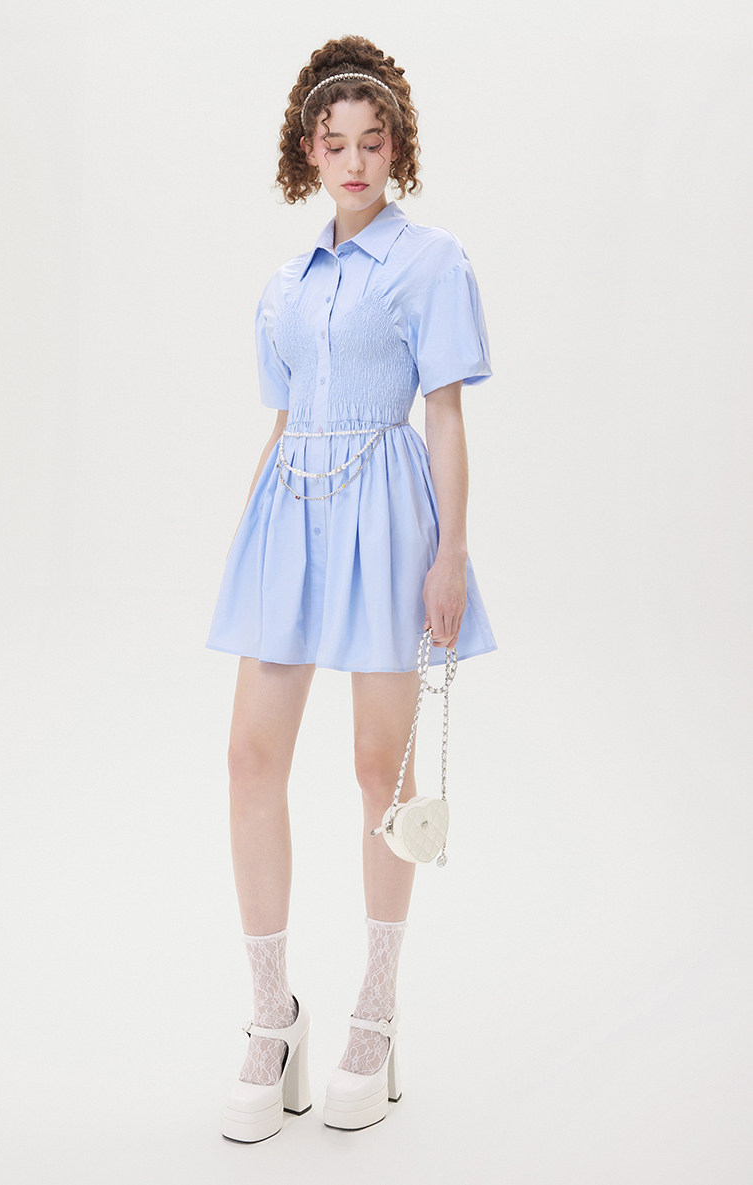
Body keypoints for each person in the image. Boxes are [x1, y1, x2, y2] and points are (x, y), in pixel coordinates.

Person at [206, 34, 498, 1142]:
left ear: (396, 148)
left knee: (380, 769)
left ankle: (375, 1014)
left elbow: (445, 414)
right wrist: (248, 539)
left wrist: (450, 553)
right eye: (336, 144)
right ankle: (270, 1018)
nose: (356, 161)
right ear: (309, 155)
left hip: (388, 517)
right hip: (289, 516)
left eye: (374, 142)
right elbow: (283, 418)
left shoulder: (432, 262)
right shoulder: (285, 285)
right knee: (249, 757)